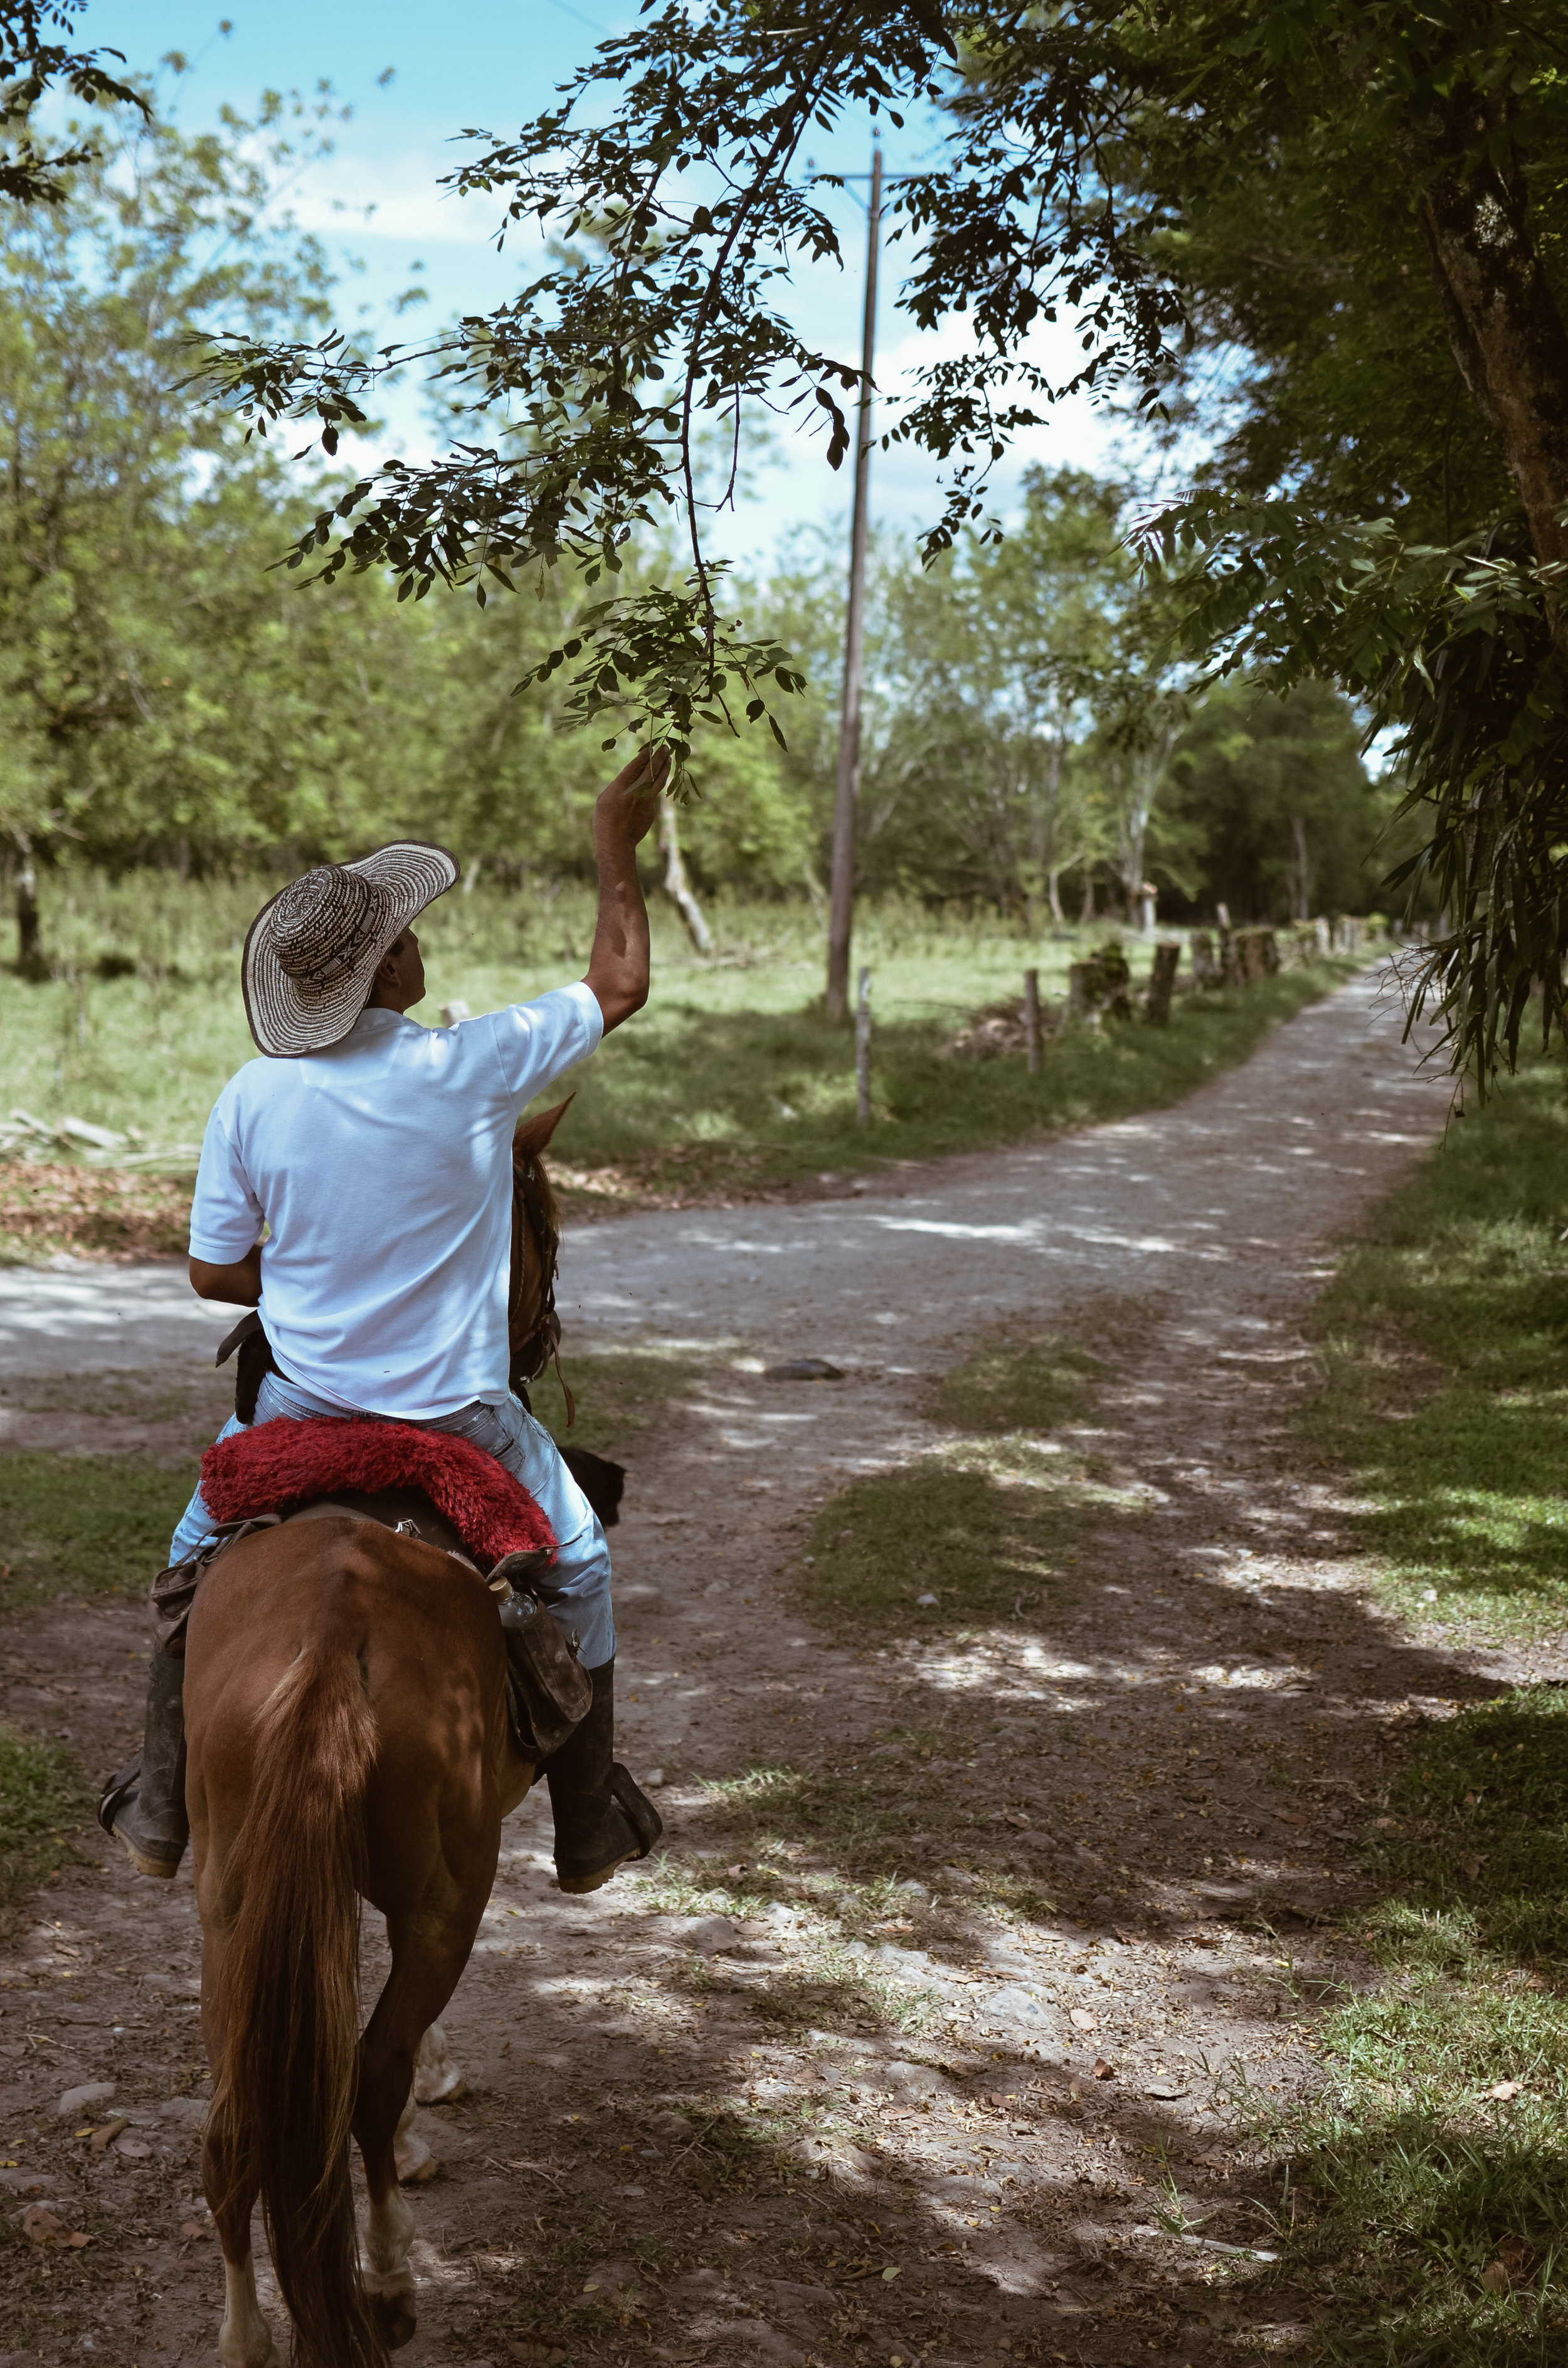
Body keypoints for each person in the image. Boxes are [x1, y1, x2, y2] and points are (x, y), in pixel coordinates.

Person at [98, 747, 668, 1894]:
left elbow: (214, 1275)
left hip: (302, 1416)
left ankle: (162, 1808)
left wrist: (316, 1274)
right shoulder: (471, 1067)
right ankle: (590, 1822)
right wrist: (616, 844)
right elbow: (617, 987)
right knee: (587, 1565)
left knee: (186, 1567)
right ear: (386, 969)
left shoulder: (252, 1094)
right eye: (404, 937)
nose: (419, 943)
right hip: (461, 1421)